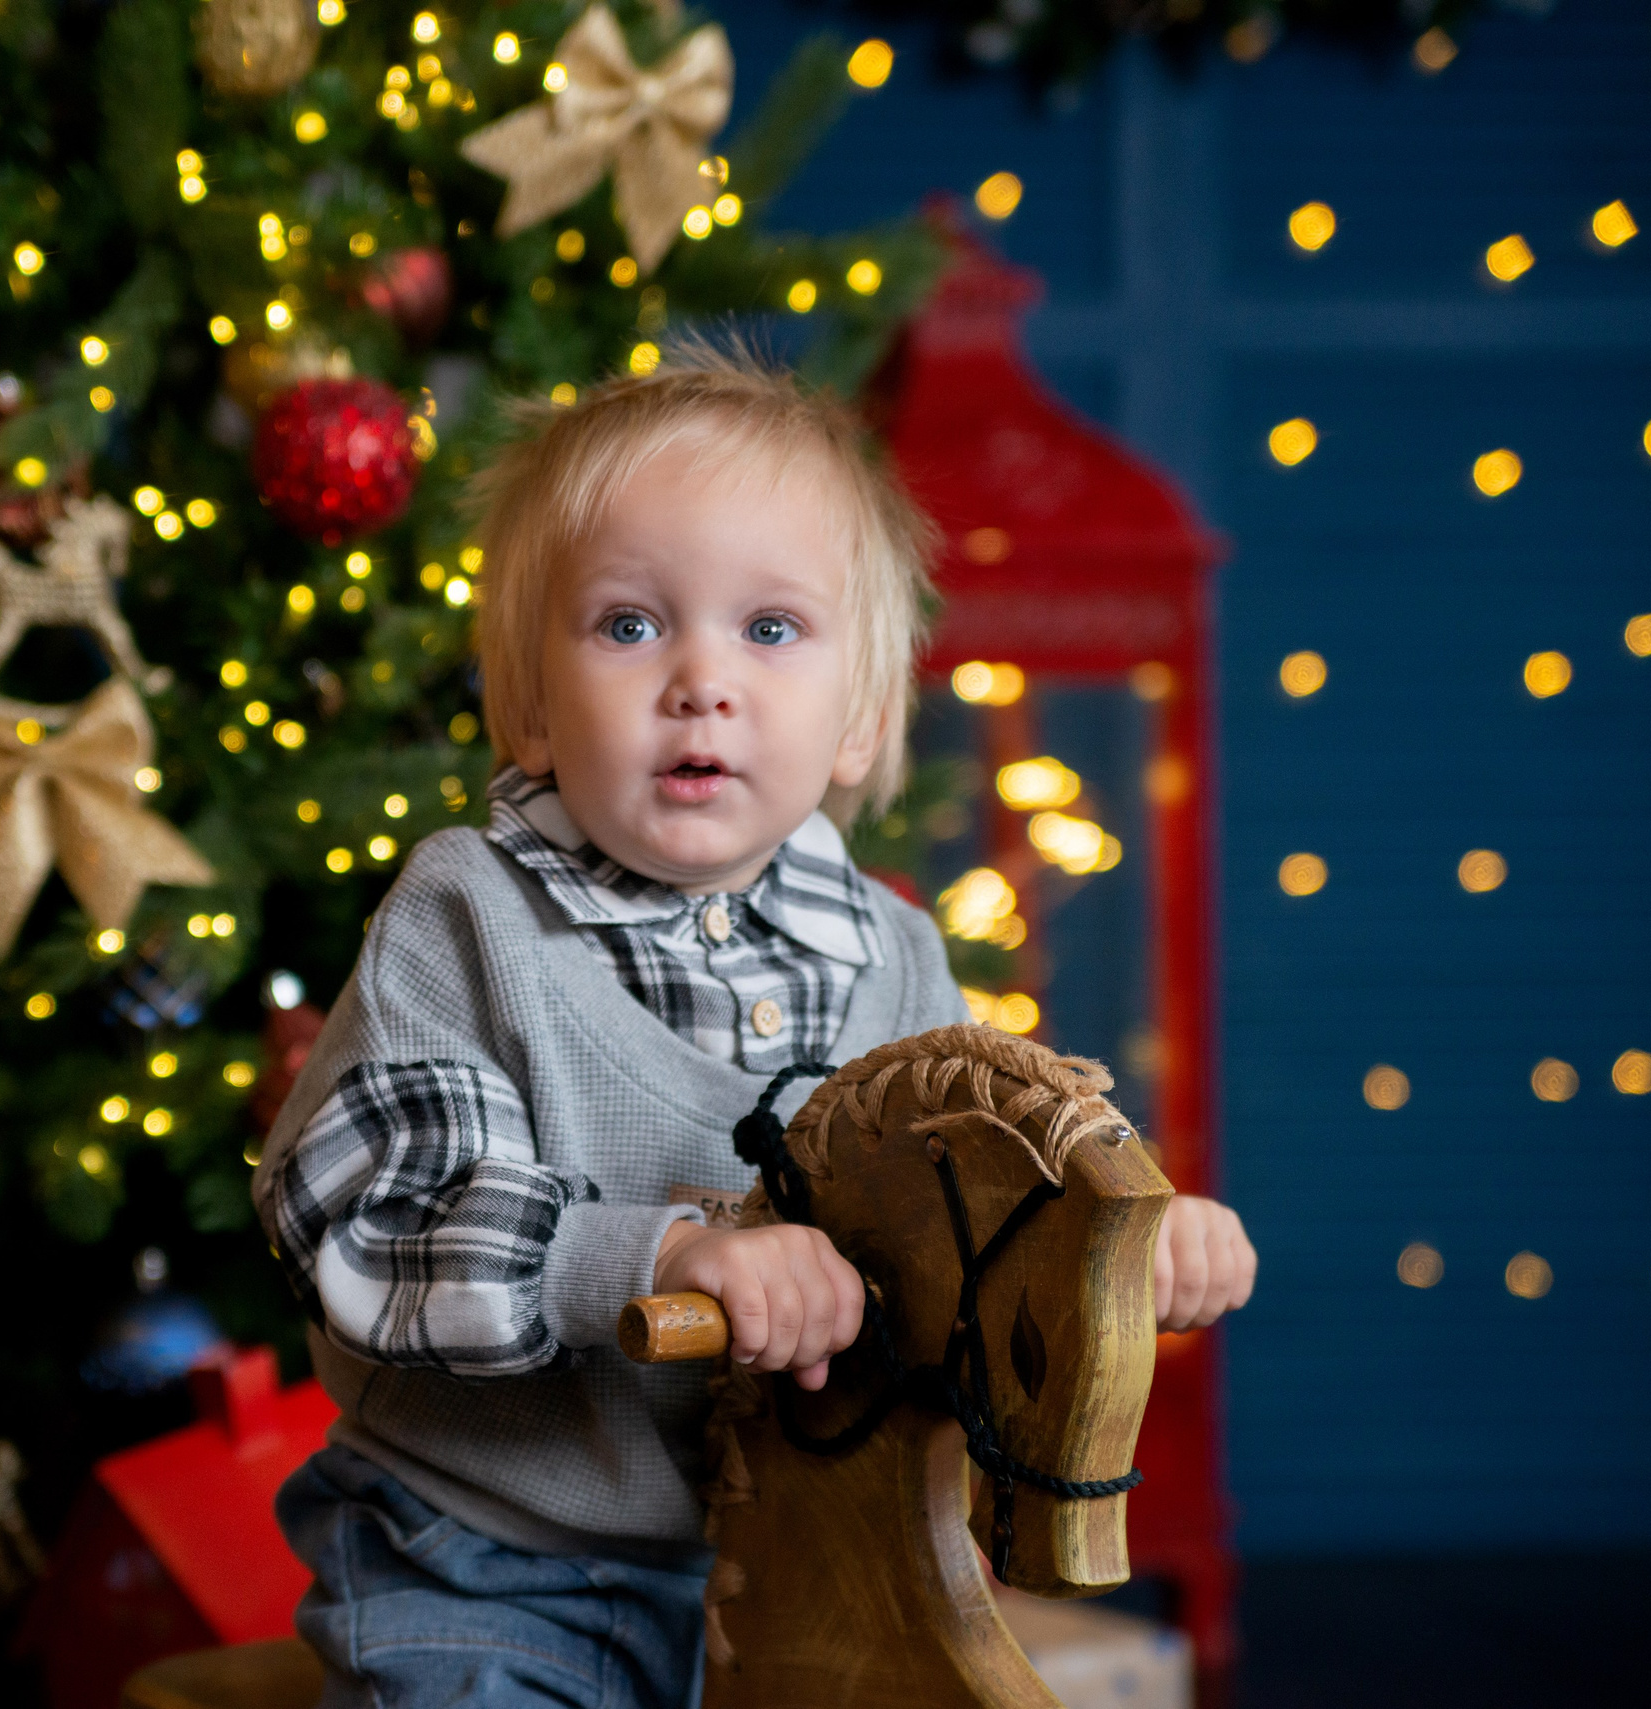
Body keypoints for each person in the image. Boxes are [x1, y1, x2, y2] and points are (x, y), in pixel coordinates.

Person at [253, 343, 1256, 1709]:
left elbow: (982, 1209)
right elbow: (368, 1204)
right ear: (531, 708)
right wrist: (657, 1248)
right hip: (485, 1555)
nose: (700, 681)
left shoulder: (895, 956)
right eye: (627, 624)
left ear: (859, 720)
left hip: (783, 1561)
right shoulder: (470, 916)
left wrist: (1123, 1237)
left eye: (769, 629)